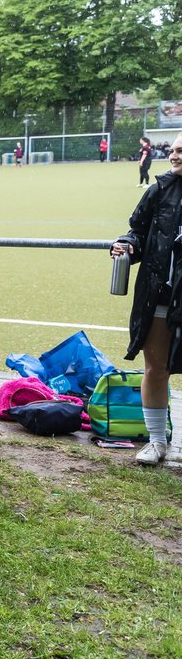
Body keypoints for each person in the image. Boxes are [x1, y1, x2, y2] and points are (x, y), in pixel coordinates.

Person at [112, 134, 182, 465]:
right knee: (156, 368)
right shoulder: (160, 189)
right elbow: (137, 230)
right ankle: (156, 442)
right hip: (161, 294)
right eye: (173, 149)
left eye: (181, 150)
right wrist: (126, 244)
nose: (173, 155)